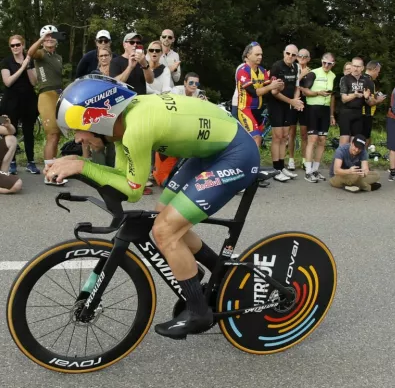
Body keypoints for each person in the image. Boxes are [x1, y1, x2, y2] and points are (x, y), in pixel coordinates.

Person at [46, 77, 260, 338]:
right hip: (210, 152)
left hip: (236, 154)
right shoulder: (122, 125)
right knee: (163, 214)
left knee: (165, 230)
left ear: (99, 119)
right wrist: (80, 165)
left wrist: (82, 167)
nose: (78, 138)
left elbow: (132, 191)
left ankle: (198, 312)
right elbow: (123, 179)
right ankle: (219, 273)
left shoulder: (136, 128)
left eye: (78, 128)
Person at [28, 25, 67, 185]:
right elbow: (30, 53)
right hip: (46, 95)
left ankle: (53, 171)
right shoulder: (41, 54)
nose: (49, 38)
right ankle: (49, 174)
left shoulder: (58, 57)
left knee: (56, 136)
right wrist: (42, 39)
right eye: (46, 36)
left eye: (52, 36)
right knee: (51, 135)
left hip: (58, 95)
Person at [0, 35, 40, 175]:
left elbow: (34, 82)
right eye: (12, 45)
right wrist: (21, 67)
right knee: (11, 131)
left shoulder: (30, 61)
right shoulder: (6, 62)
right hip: (11, 100)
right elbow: (8, 82)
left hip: (28, 99)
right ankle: (12, 162)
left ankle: (31, 162)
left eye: (18, 45)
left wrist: (27, 66)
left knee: (29, 132)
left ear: (23, 45)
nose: (15, 48)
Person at [299, 53, 337, 182]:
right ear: (321, 62)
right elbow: (304, 90)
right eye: (324, 62)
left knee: (322, 140)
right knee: (312, 139)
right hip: (313, 108)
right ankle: (308, 171)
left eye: (329, 64)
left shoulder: (333, 76)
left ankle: (315, 170)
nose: (326, 65)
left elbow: (332, 97)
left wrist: (332, 114)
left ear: (333, 64)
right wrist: (317, 93)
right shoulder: (314, 73)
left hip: (325, 110)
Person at [236, 42, 282, 149]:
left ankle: (251, 163)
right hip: (245, 109)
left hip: (258, 110)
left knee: (258, 139)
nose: (260, 57)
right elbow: (253, 92)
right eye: (257, 54)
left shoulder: (262, 70)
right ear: (248, 55)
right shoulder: (242, 70)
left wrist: (278, 85)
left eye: (261, 54)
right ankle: (252, 164)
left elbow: (268, 90)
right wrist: (271, 87)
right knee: (256, 137)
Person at [268, 45, 303, 181]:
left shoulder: (296, 67)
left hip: (288, 104)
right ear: (284, 53)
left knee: (284, 136)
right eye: (288, 53)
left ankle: (282, 167)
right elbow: (273, 92)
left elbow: (296, 87)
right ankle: (275, 169)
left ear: (296, 57)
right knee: (277, 137)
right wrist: (291, 101)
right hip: (276, 104)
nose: (290, 56)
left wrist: (295, 100)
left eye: (293, 55)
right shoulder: (277, 67)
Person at [337, 57, 369, 147]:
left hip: (358, 112)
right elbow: (343, 99)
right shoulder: (345, 79)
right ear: (351, 66)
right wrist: (354, 95)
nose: (356, 68)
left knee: (355, 142)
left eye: (358, 66)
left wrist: (367, 98)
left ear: (362, 68)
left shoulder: (366, 80)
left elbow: (369, 100)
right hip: (346, 112)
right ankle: (340, 160)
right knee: (344, 140)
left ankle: (352, 161)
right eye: (354, 66)